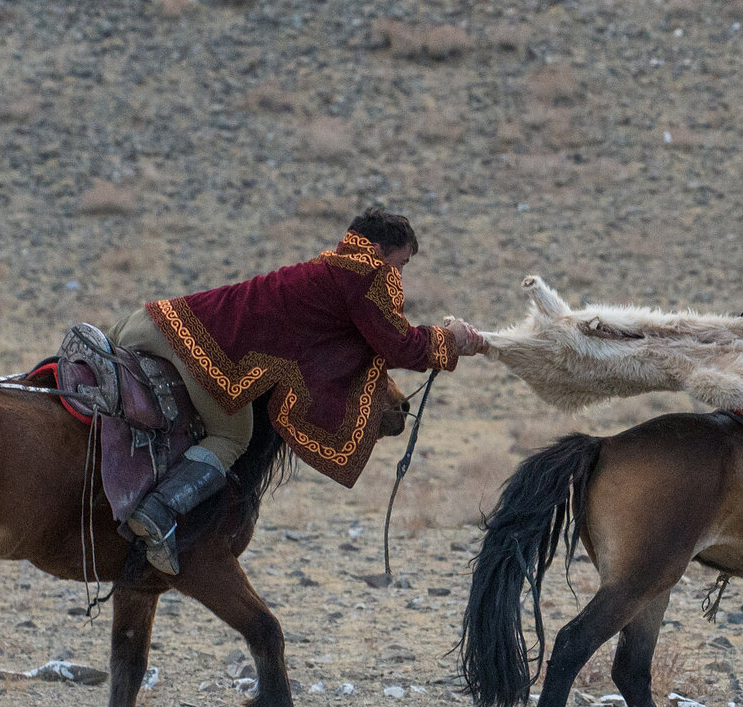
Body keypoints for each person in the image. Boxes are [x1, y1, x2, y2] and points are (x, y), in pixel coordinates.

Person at [110, 207, 488, 574]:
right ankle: (158, 511)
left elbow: (359, 343)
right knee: (233, 436)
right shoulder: (369, 273)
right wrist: (450, 340)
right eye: (402, 264)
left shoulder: (328, 268)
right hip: (199, 351)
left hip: (147, 321)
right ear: (380, 252)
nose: (400, 275)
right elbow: (400, 344)